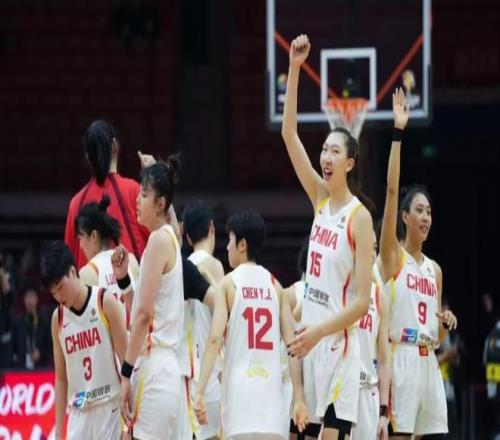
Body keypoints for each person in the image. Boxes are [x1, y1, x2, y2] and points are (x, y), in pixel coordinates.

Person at [282, 34, 374, 440]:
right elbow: (289, 135)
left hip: (338, 348)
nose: (325, 156)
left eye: (335, 151)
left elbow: (362, 303)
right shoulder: (319, 199)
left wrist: (320, 331)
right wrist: (295, 69)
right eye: (324, 149)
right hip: (311, 346)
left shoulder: (360, 218)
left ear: (350, 163)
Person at [378, 88, 457, 438]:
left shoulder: (434, 270)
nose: (426, 217)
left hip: (429, 363)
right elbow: (391, 192)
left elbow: (438, 336)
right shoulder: (393, 256)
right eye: (419, 211)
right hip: (401, 358)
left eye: (429, 212)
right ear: (405, 217)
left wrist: (445, 322)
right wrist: (398, 134)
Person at [194, 210, 309, 439]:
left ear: (242, 244)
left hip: (239, 402)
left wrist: (199, 392)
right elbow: (293, 347)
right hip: (272, 405)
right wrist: (298, 398)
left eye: (230, 240)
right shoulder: (275, 286)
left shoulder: (228, 284)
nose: (227, 247)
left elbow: (215, 339)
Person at [114, 157, 184, 440]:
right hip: (162, 368)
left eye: (144, 194)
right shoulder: (168, 238)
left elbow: (143, 317)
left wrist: (125, 373)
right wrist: (123, 280)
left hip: (155, 368)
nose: (137, 200)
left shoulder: (158, 241)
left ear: (160, 203)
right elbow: (142, 313)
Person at [41, 241, 127, 440]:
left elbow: (126, 362)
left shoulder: (104, 302)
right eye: (53, 293)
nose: (58, 296)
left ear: (73, 272)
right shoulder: (58, 319)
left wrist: (128, 426)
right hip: (78, 414)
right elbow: (61, 378)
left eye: (60, 287)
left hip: (110, 407)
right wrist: (59, 432)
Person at [65, 120, 149, 269]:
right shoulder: (134, 191)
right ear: (115, 145)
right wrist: (153, 178)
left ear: (88, 157)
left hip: (89, 283)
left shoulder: (76, 203)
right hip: (131, 282)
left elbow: (68, 262)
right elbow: (162, 235)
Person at [175, 199, 224, 440]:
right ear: (212, 227)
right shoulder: (213, 265)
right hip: (208, 375)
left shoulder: (180, 269)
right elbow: (225, 317)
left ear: (187, 237)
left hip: (183, 375)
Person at [76, 195, 140, 328]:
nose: (80, 246)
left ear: (94, 236)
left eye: (81, 238)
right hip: (136, 340)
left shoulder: (86, 274)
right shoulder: (132, 262)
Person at [351, 236, 390, 440]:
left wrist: (383, 413)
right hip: (340, 391)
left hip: (368, 393)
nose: (373, 254)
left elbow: (384, 360)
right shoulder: (338, 288)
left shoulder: (379, 296)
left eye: (375, 248)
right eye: (368, 247)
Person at [13, 287, 51, 369]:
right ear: (24, 299)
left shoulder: (43, 322)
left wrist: (40, 354)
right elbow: (14, 346)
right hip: (21, 367)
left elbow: (49, 346)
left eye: (32, 297)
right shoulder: (18, 322)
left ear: (37, 299)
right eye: (28, 297)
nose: (30, 300)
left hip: (40, 367)